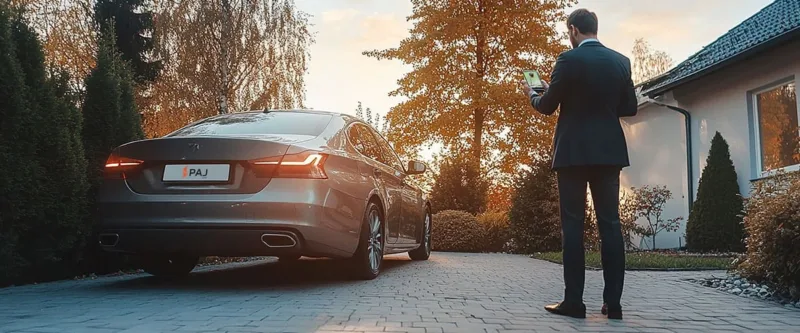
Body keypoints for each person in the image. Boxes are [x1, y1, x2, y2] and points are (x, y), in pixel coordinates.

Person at [519, 8, 638, 320]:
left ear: (573, 30)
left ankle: (574, 302)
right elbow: (630, 107)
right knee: (611, 225)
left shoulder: (568, 60)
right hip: (609, 152)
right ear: (595, 28)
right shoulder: (621, 61)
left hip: (573, 153)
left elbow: (547, 106)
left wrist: (533, 94)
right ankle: (613, 304)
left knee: (573, 226)